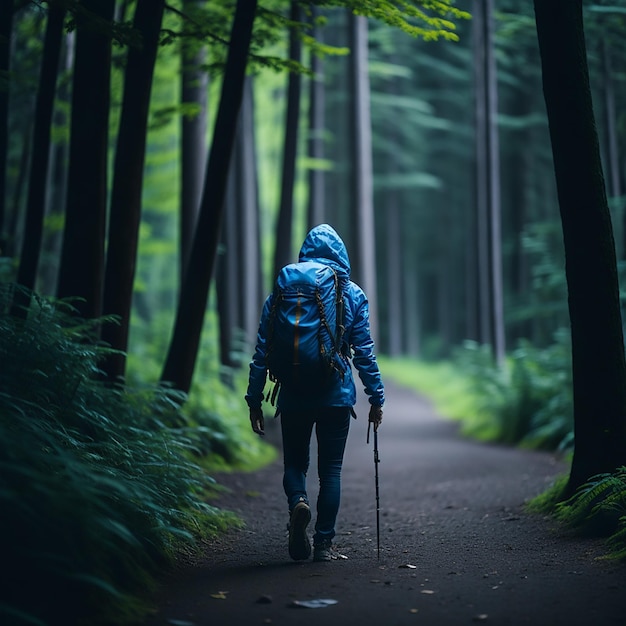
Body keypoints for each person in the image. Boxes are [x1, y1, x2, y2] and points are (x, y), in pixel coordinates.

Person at [245, 223, 385, 562]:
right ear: (341, 254)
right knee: (331, 471)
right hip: (335, 394)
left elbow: (262, 349)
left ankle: (298, 503)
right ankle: (323, 544)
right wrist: (376, 396)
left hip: (292, 394)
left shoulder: (282, 291)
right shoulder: (350, 292)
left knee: (295, 462)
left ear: (305, 253)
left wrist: (254, 399)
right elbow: (364, 351)